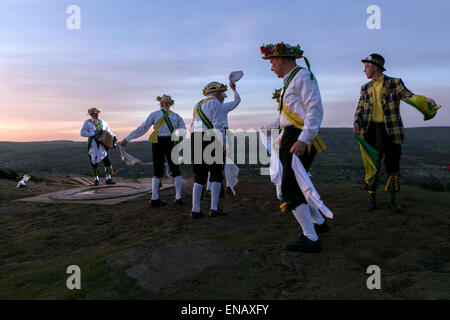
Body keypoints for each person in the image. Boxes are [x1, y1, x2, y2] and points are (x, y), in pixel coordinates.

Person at [261, 42, 328, 253]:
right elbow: (290, 114)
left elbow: (314, 109)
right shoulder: (289, 80)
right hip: (292, 135)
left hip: (299, 137)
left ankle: (311, 239)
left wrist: (304, 139)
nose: (271, 67)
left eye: (272, 62)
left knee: (290, 187)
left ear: (281, 59)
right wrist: (270, 126)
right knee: (297, 182)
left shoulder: (302, 76)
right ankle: (319, 223)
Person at [353, 53, 440, 213]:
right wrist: (356, 122)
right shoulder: (365, 88)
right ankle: (371, 196)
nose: (364, 70)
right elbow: (360, 107)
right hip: (371, 130)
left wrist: (425, 101)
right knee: (373, 164)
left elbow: (409, 97)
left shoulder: (395, 83)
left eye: (366, 67)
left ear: (376, 67)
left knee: (393, 165)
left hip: (392, 130)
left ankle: (393, 200)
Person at [121, 95, 186, 207]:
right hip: (171, 142)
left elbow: (142, 128)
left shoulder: (154, 114)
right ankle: (178, 197)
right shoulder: (176, 116)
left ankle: (154, 198)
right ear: (170, 105)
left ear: (161, 104)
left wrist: (127, 138)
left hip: (157, 142)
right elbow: (183, 131)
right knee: (175, 169)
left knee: (157, 170)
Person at [190, 80, 240, 219]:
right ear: (217, 93)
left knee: (199, 175)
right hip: (211, 138)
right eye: (222, 93)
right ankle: (213, 208)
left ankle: (195, 209)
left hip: (196, 138)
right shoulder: (216, 104)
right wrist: (223, 145)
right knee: (216, 173)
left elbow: (193, 125)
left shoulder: (197, 105)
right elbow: (218, 126)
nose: (223, 96)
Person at [80, 107, 116, 186]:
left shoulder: (103, 122)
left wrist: (114, 137)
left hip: (103, 144)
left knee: (107, 161)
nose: (96, 115)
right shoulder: (87, 122)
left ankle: (108, 178)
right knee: (94, 162)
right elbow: (82, 133)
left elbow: (109, 132)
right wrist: (93, 133)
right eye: (94, 114)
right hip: (93, 144)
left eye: (97, 114)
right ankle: (96, 179)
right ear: (91, 115)